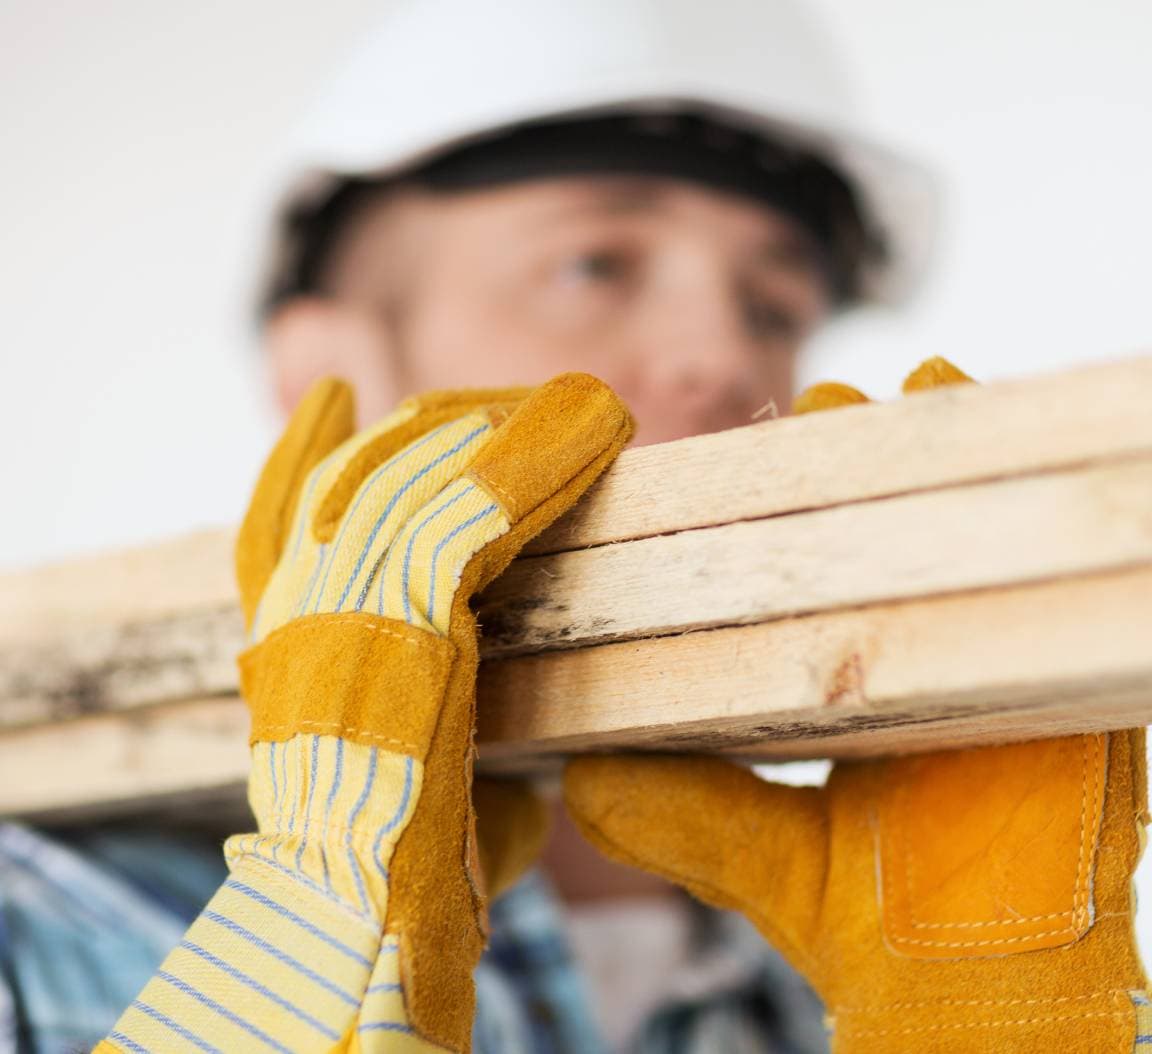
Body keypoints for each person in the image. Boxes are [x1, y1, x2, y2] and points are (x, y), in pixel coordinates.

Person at [6, 0, 1149, 1051]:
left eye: (776, 306)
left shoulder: (874, 983)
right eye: (594, 262)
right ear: (329, 388)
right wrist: (281, 961)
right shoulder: (35, 943)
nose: (727, 357)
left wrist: (996, 1021)